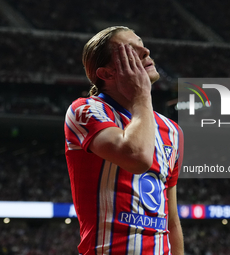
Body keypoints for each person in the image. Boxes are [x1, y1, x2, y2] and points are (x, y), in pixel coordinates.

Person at [64, 26, 184, 255]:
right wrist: (142, 96)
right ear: (106, 74)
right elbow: (137, 157)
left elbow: (172, 221)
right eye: (130, 51)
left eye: (142, 44)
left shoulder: (172, 130)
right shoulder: (85, 110)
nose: (146, 51)